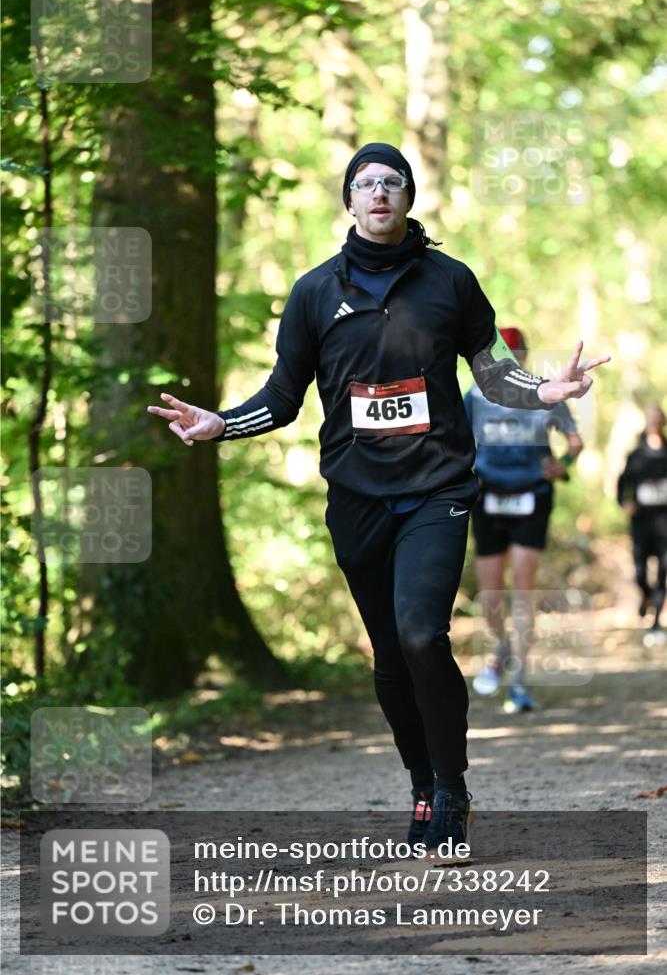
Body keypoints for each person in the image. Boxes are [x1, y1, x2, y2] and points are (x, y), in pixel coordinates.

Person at [147, 143, 610, 859]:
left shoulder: (449, 281)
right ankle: (420, 783)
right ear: (349, 200)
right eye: (365, 184)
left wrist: (545, 392)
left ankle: (452, 789)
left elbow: (492, 375)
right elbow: (281, 398)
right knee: (390, 655)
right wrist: (218, 424)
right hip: (357, 496)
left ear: (408, 196)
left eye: (391, 182)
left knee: (422, 635)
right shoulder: (312, 293)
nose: (378, 193)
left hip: (436, 490)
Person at [464, 327, 583, 713]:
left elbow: (575, 442)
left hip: (532, 496)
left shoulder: (544, 393)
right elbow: (456, 442)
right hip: (487, 497)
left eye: (517, 354)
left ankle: (518, 678)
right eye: (505, 354)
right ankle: (501, 648)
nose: (512, 360)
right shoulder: (476, 397)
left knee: (523, 586)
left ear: (526, 357)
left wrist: (560, 466)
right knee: (492, 594)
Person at [617, 404, 667, 635]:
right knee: (640, 571)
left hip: (664, 521)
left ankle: (655, 621)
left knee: (663, 571)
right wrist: (626, 502)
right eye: (650, 417)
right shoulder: (635, 455)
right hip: (641, 521)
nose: (654, 421)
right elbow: (624, 484)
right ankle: (646, 595)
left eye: (658, 417)